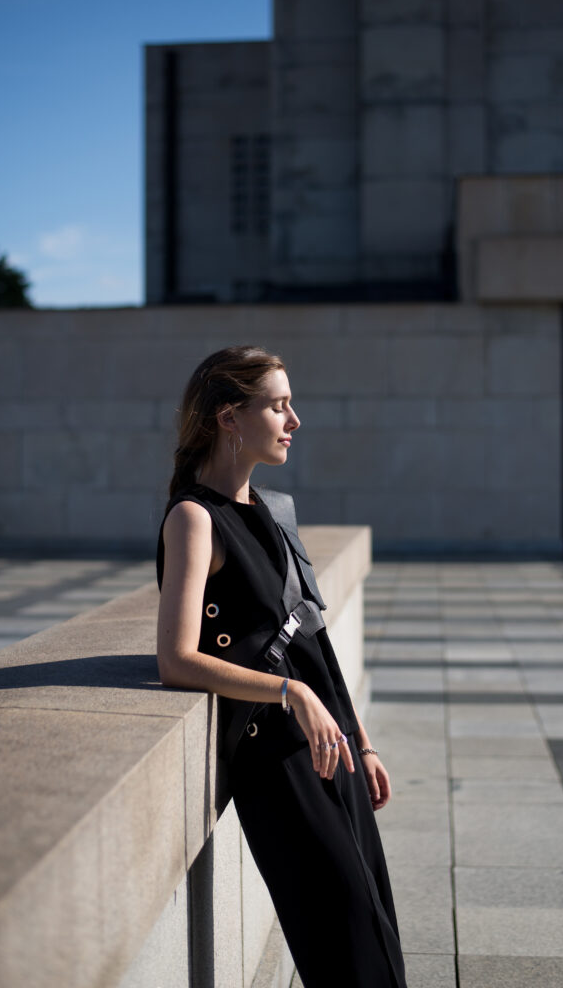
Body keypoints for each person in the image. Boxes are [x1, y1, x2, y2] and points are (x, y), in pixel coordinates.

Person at [156, 346, 407, 988]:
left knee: (376, 929)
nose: (294, 418)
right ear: (229, 417)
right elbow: (177, 659)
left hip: (334, 747)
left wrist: (363, 739)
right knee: (345, 944)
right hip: (276, 761)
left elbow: (310, 640)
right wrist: (289, 694)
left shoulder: (274, 509)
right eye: (278, 405)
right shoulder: (193, 519)